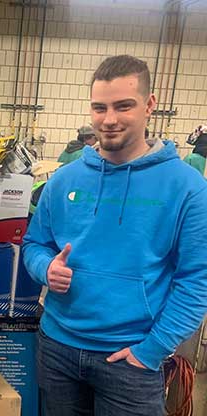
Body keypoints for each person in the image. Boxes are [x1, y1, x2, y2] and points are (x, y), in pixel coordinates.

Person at [23, 54, 207, 416]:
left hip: (130, 359)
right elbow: (34, 245)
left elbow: (196, 281)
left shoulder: (187, 188)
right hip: (57, 349)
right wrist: (45, 269)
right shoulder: (64, 179)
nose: (109, 120)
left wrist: (152, 350)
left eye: (124, 106)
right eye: (99, 108)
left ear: (149, 105)